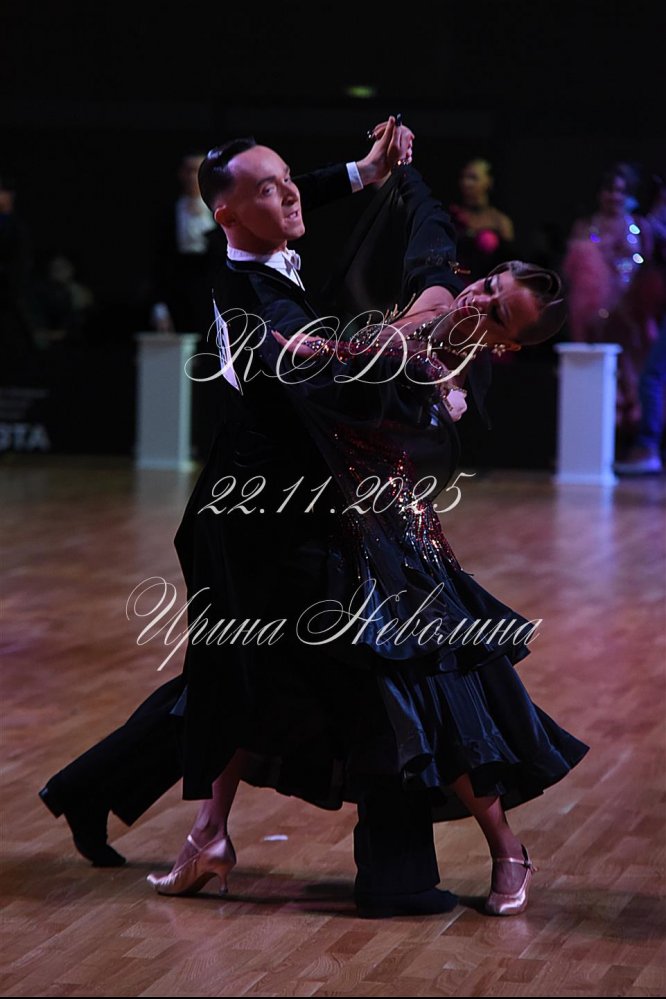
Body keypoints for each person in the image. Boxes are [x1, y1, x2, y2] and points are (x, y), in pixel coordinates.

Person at [145, 131, 589, 918]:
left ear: (507, 345)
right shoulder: (434, 288)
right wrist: (389, 169)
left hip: (393, 537)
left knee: (433, 684)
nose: (479, 303)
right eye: (489, 286)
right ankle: (209, 832)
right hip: (322, 516)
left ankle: (504, 846)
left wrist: (386, 366)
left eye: (497, 314)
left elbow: (380, 409)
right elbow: (421, 224)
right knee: (249, 663)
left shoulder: (468, 388)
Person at [37, 120, 415, 869]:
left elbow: (286, 190)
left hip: (281, 507)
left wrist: (364, 172)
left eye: (288, 179)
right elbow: (304, 359)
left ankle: (113, 798)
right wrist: (396, 349)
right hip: (247, 523)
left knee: (240, 677)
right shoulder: (245, 296)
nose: (291, 194)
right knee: (244, 676)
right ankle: (190, 824)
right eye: (270, 189)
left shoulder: (261, 239)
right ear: (229, 216)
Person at [562, 162, 656, 435]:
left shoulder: (639, 226)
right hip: (593, 308)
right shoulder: (585, 226)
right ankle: (595, 424)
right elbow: (573, 269)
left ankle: (634, 426)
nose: (614, 196)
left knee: (633, 366)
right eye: (609, 190)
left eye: (620, 191)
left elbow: (648, 265)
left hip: (630, 307)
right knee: (597, 364)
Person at [449, 158, 515, 284]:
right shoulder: (452, 215)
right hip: (457, 284)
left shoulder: (500, 221)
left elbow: (509, 265)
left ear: (488, 182)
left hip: (488, 286)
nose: (466, 183)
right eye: (463, 177)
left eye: (473, 178)